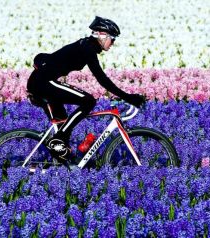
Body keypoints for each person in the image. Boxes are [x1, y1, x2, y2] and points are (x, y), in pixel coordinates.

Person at [27, 16, 145, 162]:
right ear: (102, 35)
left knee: (63, 123)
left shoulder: (85, 45)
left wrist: (40, 60)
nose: (113, 44)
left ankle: (62, 160)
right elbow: (102, 79)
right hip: (43, 83)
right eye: (112, 39)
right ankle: (58, 139)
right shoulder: (87, 48)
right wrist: (128, 97)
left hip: (41, 81)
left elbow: (50, 56)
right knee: (88, 101)